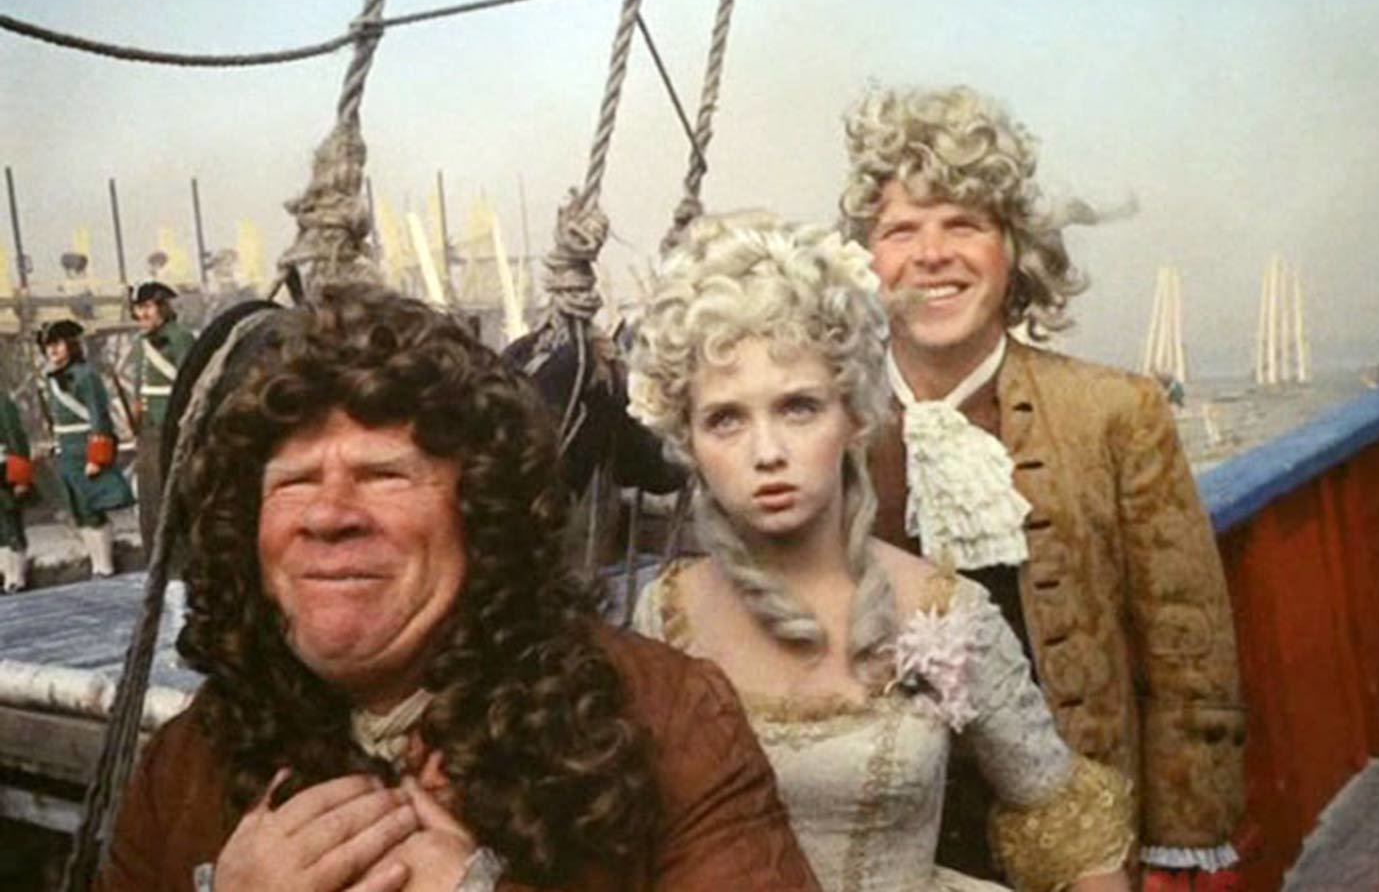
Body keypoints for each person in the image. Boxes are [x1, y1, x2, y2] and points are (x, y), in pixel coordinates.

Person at [99, 284, 819, 892]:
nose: (328, 515)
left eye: (383, 475)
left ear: (480, 512)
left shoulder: (666, 721)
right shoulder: (188, 763)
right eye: (293, 483)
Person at [629, 212, 1133, 892]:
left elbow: (1073, 834)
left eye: (799, 407)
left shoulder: (946, 613)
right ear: (688, 440)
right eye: (726, 419)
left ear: (855, 415)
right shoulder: (665, 617)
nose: (767, 452)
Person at [840, 86, 1246, 885]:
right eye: (901, 230)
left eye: (964, 223)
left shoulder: (1118, 412)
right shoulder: (819, 424)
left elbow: (1187, 653)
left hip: (1083, 851)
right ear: (864, 262)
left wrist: (1178, 847)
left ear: (1013, 250)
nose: (932, 254)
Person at [38, 319, 134, 578]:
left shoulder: (86, 375)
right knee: (79, 510)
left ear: (71, 345)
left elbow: (99, 417)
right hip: (66, 451)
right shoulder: (51, 378)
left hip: (84, 449)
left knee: (93, 511)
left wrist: (97, 457)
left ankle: (105, 565)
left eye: (57, 344)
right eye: (48, 346)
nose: (52, 350)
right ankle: (95, 563)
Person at [125, 280, 195, 556]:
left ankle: (181, 558)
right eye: (138, 308)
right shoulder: (140, 343)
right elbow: (139, 385)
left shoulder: (181, 338)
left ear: (163, 308)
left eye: (147, 307)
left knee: (175, 494)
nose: (141, 314)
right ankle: (157, 558)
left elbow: (191, 383)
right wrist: (136, 410)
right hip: (148, 428)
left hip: (173, 426)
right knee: (150, 496)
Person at [0, 387, 34, 593]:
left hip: (4, 471)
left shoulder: (2, 403)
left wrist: (21, 477)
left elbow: (16, 439)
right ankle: (6, 574)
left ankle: (17, 577)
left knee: (10, 523)